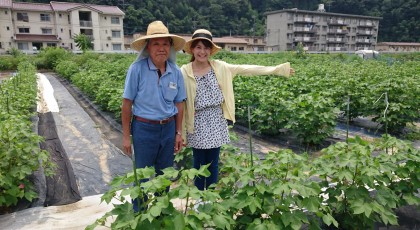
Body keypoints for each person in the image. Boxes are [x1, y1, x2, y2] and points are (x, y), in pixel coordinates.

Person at [180, 29, 295, 191]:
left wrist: (277, 70)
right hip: (197, 122)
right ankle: (199, 197)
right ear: (192, 49)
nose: (202, 52)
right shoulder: (184, 71)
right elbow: (176, 97)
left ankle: (210, 197)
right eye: (198, 47)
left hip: (216, 121)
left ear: (210, 50)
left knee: (213, 163)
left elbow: (247, 68)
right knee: (198, 163)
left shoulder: (220, 67)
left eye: (206, 48)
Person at [121, 21, 186, 211]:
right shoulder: (137, 69)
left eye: (165, 44)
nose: (161, 48)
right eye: (156, 44)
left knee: (164, 175)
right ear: (148, 47)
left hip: (168, 128)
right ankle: (139, 216)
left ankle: (160, 214)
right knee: (141, 176)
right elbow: (126, 105)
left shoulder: (175, 72)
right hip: (143, 129)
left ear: (170, 47)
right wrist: (126, 135)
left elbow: (179, 104)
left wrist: (178, 132)